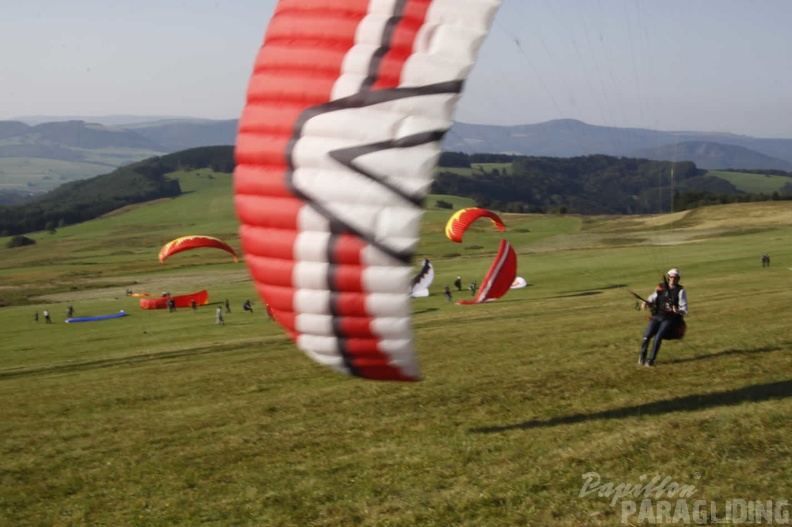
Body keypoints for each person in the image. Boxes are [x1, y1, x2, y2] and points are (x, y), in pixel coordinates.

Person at [638, 268, 688, 367]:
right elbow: (652, 297)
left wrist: (677, 310)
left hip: (669, 318)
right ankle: (642, 356)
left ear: (678, 279)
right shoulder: (661, 287)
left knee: (658, 337)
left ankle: (650, 360)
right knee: (646, 336)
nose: (673, 279)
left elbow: (685, 310)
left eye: (675, 278)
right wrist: (646, 303)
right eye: (671, 277)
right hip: (657, 316)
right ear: (668, 278)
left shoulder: (680, 291)